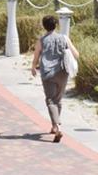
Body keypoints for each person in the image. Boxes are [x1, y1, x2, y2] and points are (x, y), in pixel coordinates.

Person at [28, 14, 79, 143]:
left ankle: (57, 127)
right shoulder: (64, 38)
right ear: (56, 25)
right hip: (62, 72)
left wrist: (33, 67)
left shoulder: (41, 40)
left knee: (50, 100)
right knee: (58, 99)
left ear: (44, 26)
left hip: (48, 73)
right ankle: (54, 126)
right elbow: (76, 54)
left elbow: (36, 56)